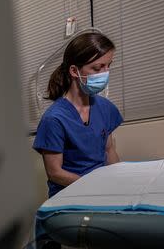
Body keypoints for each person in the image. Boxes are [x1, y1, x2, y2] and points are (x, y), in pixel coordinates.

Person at [33, 32, 123, 198]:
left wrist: (118, 182)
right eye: (98, 67)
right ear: (74, 71)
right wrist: (94, 186)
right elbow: (55, 173)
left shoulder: (105, 108)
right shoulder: (54, 119)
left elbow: (109, 150)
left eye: (108, 65)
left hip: (102, 189)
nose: (105, 73)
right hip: (69, 195)